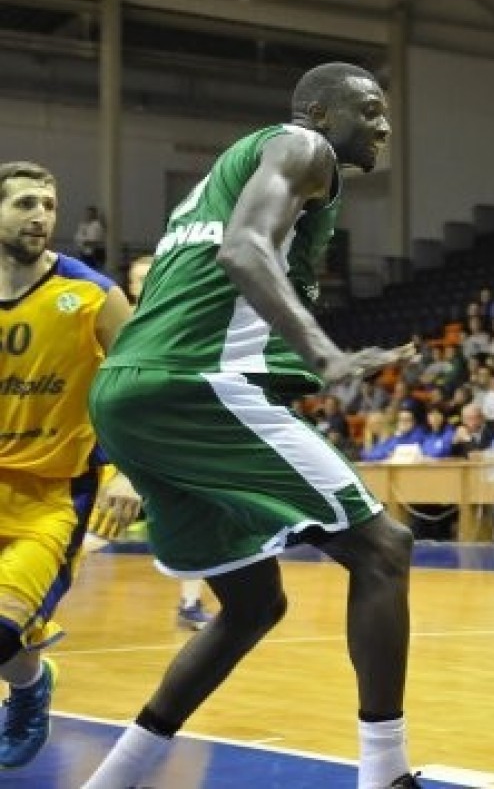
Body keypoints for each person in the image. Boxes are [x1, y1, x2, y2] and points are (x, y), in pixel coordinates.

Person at [82, 63, 422, 789]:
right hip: (193, 383)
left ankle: (110, 781)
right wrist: (324, 355)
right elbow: (242, 249)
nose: (384, 125)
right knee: (384, 549)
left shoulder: (227, 173)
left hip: (128, 390)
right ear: (319, 114)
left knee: (251, 606)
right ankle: (385, 775)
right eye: (368, 110)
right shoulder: (304, 147)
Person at [0, 161, 142, 770]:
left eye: (49, 205)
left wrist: (130, 471)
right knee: (13, 638)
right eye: (24, 203)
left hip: (53, 497)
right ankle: (33, 681)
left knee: (3, 630)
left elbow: (142, 383)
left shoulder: (92, 293)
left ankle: (29, 689)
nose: (40, 216)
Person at [125, 255, 214, 630]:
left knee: (199, 520)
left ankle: (190, 605)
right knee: (97, 528)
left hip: (177, 440)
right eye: (139, 278)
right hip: (129, 439)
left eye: (152, 275)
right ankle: (29, 602)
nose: (146, 283)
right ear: (130, 286)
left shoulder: (181, 320)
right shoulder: (119, 322)